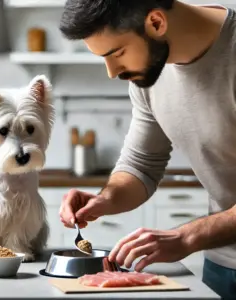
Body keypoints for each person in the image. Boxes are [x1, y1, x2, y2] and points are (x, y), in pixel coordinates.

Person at [58, 0, 236, 298]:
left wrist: (186, 236)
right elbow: (141, 164)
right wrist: (106, 199)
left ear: (156, 23)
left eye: (116, 53)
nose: (111, 72)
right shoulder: (151, 74)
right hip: (220, 264)